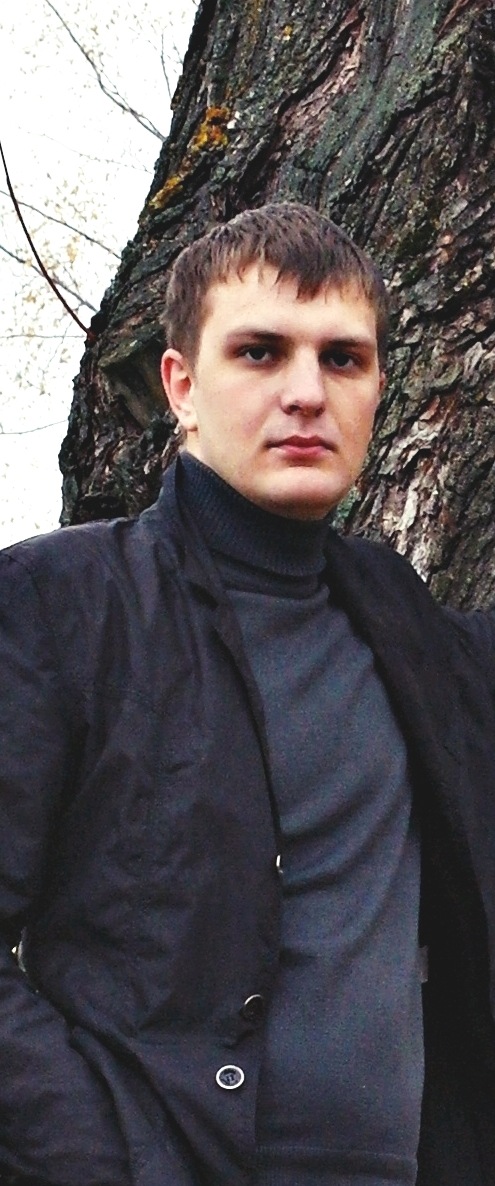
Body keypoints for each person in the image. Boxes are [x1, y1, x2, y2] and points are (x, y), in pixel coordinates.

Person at [0, 202, 494, 1186]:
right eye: (260, 353)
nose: (306, 393)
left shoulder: (419, 639)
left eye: (343, 358)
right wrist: (102, 1161)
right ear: (181, 385)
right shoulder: (60, 606)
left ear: (377, 388)